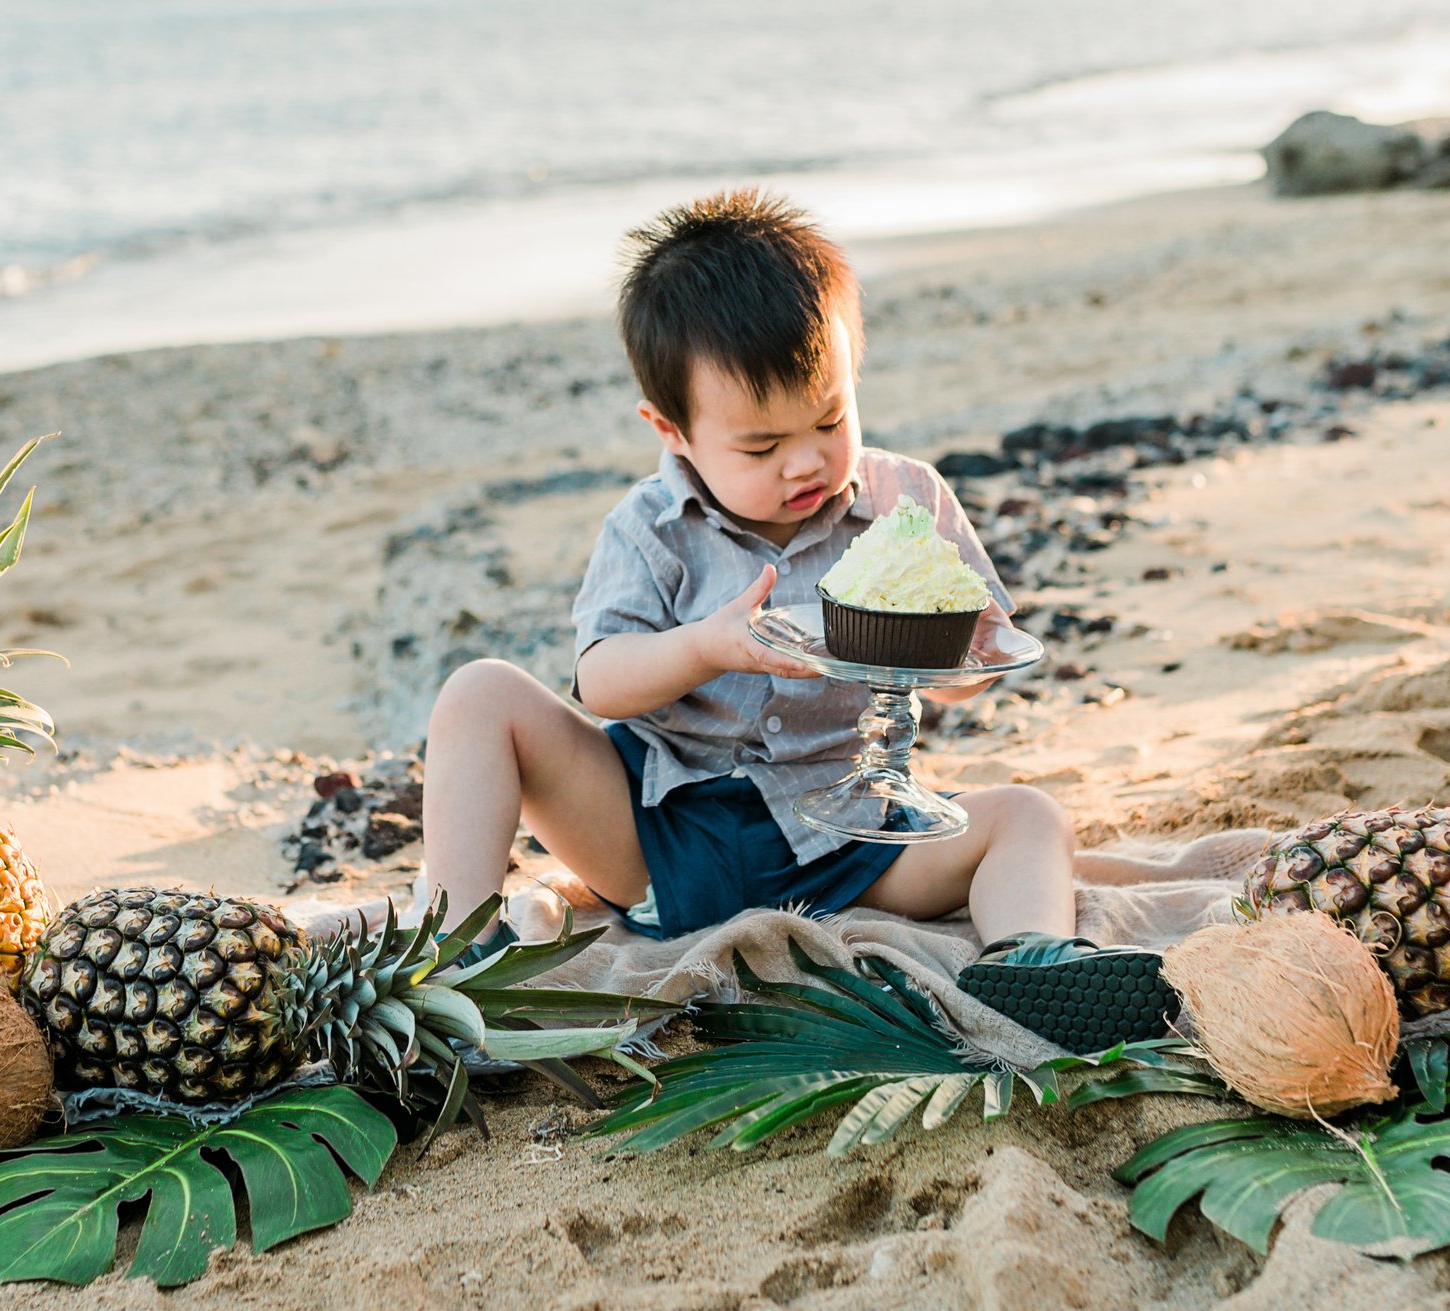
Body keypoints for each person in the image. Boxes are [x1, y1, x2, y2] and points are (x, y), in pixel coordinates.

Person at [414, 188, 1168, 1048]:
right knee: (479, 693)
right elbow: (601, 681)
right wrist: (705, 648)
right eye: (761, 448)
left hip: (852, 837)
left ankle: (1032, 960)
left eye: (830, 418)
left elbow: (974, 655)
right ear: (673, 431)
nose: (806, 461)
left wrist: (960, 654)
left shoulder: (903, 500)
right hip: (662, 835)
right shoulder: (651, 527)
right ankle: (454, 958)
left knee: (1029, 817)